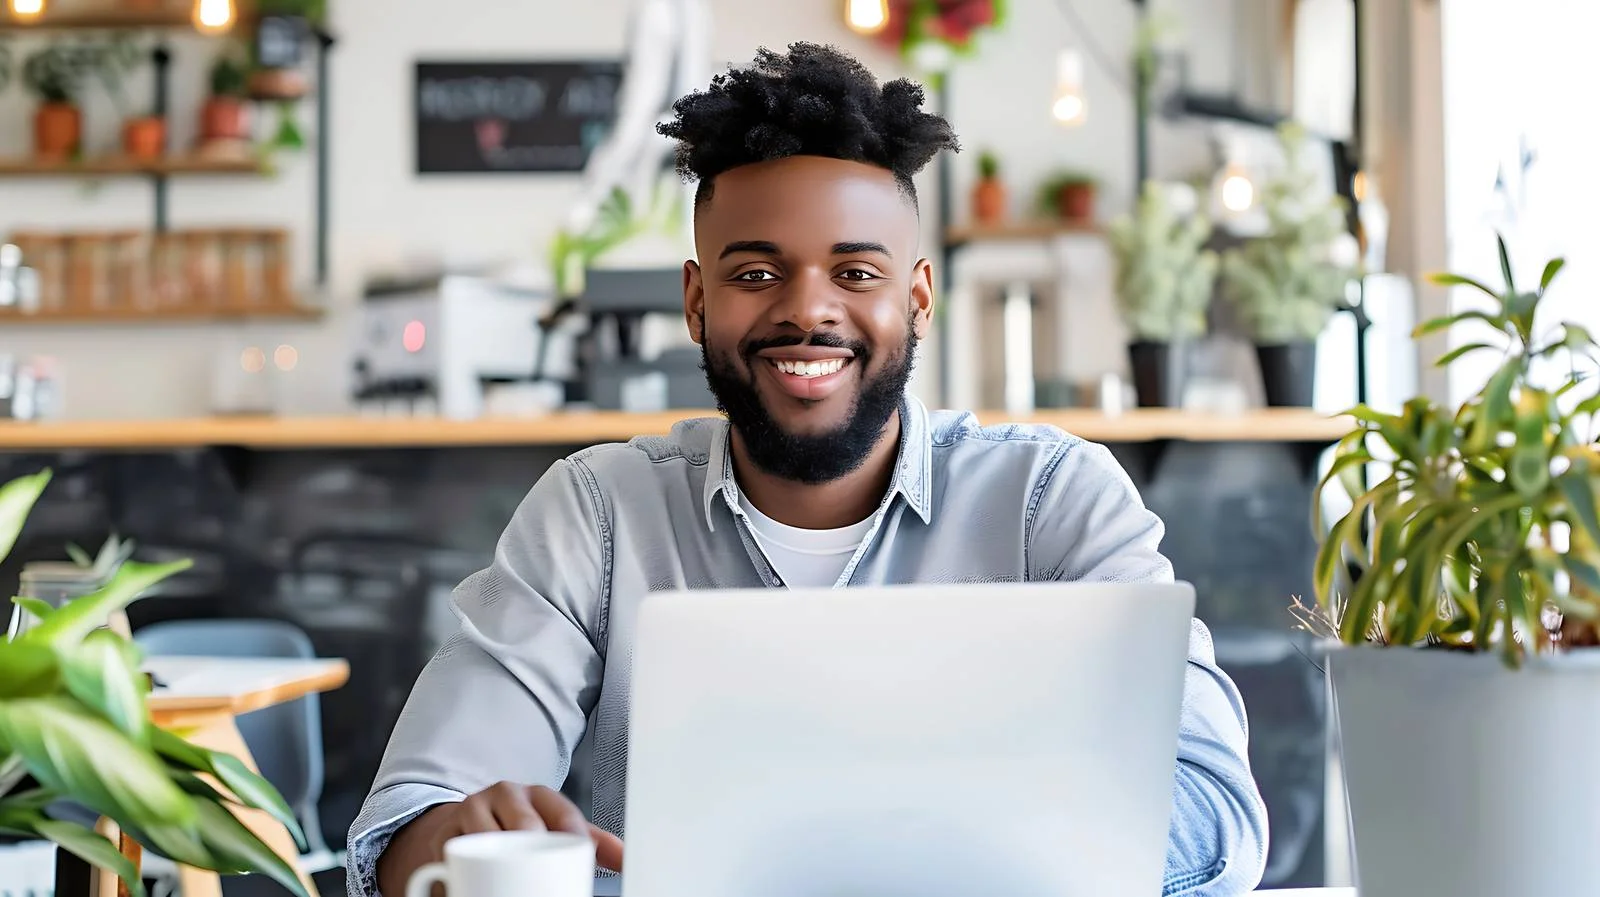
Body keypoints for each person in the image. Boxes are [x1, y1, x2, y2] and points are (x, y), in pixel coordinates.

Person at [349, 42, 1269, 897]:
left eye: (856, 274)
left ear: (917, 297)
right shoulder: (596, 514)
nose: (807, 312)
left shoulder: (1051, 501)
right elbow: (401, 831)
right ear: (696, 301)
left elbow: (1220, 814)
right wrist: (463, 835)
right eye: (755, 274)